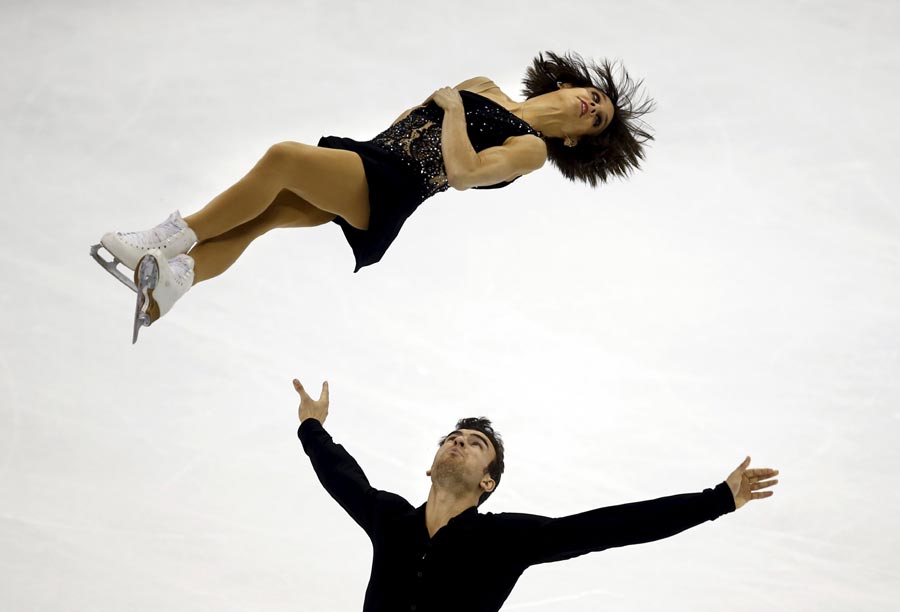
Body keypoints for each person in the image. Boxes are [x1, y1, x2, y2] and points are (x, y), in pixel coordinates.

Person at [89, 52, 654, 342]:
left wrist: (454, 111)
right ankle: (166, 289)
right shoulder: (487, 85)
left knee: (284, 158)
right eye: (592, 95)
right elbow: (412, 116)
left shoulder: (529, 148)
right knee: (260, 218)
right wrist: (391, 137)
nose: (589, 105)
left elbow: (461, 173)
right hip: (372, 157)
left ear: (579, 140)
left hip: (391, 188)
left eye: (597, 118)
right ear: (569, 84)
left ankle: (164, 241)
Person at [292, 378, 779, 612]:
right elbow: (342, 475)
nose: (459, 441)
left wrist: (716, 500)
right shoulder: (391, 519)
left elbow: (609, 526)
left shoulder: (503, 538)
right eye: (452, 438)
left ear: (489, 483)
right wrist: (313, 426)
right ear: (431, 463)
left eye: (475, 443)